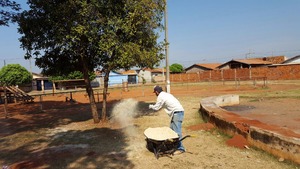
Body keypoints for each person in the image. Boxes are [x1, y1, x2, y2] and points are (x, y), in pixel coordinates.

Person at [149, 85, 185, 154]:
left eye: (155, 93)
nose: (155, 94)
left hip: (177, 113)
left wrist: (151, 106)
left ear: (156, 92)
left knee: (177, 132)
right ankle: (173, 146)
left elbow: (157, 108)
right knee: (171, 130)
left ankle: (181, 149)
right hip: (177, 112)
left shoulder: (160, 96)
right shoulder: (166, 94)